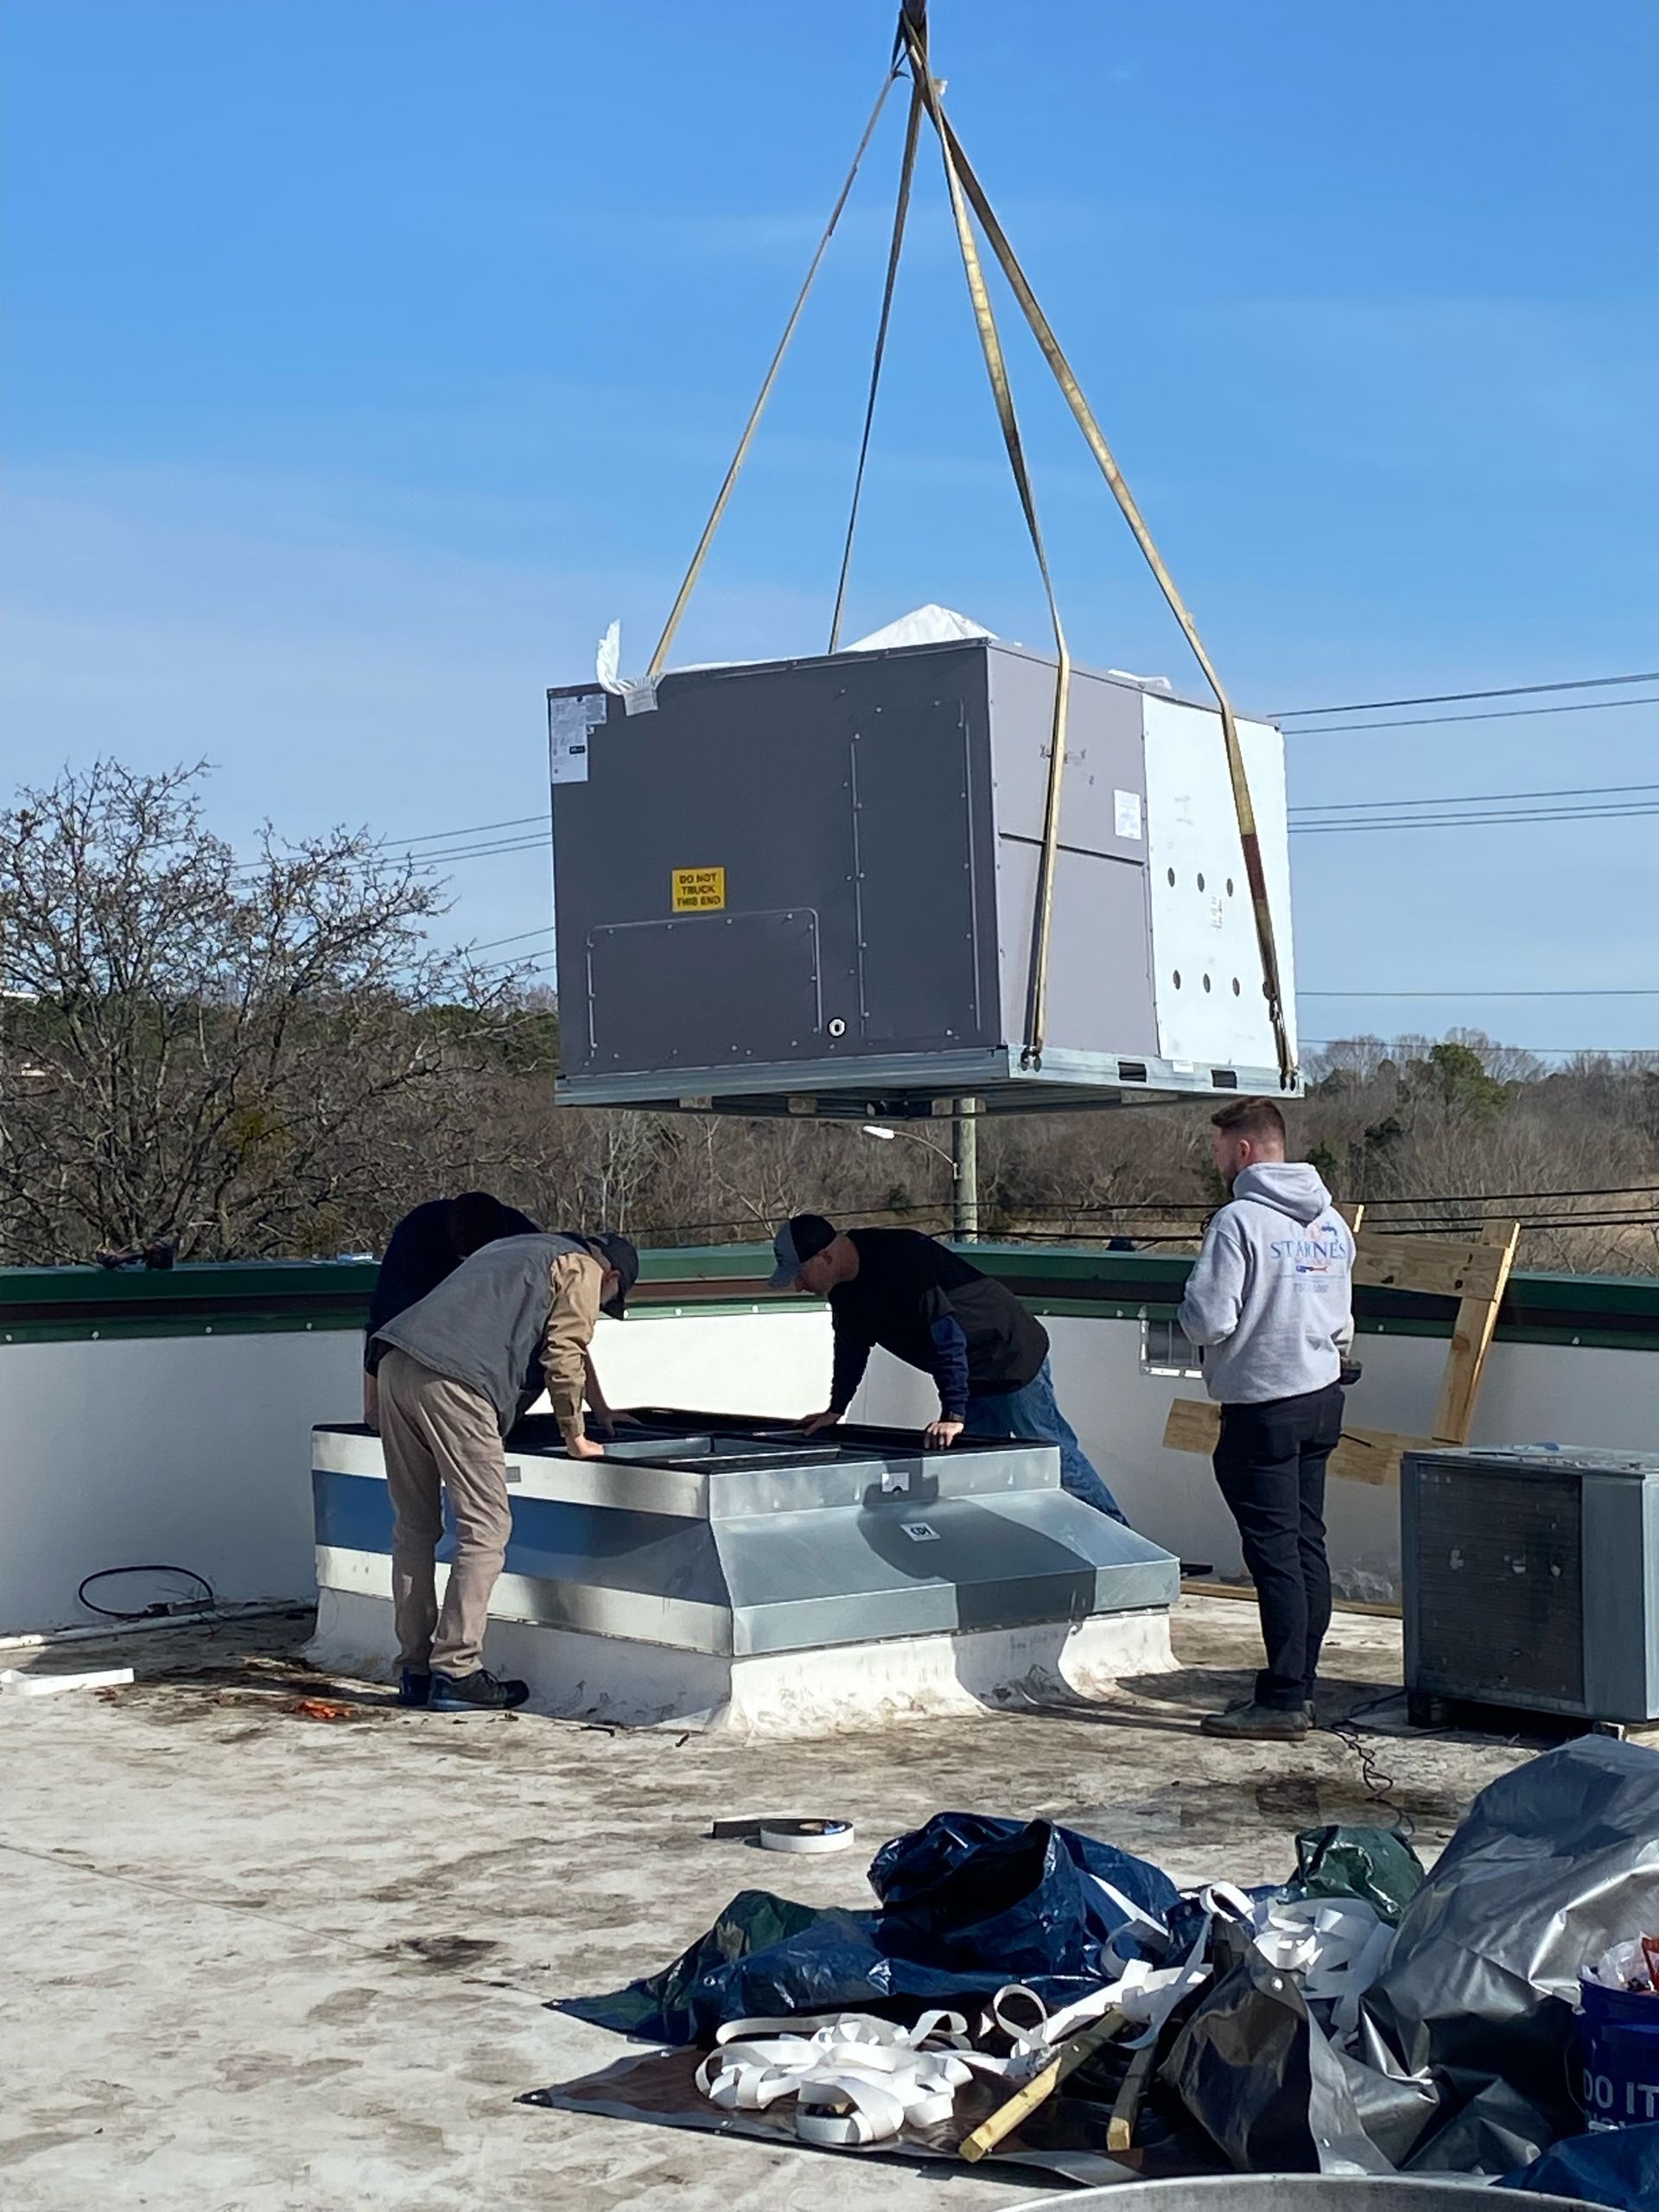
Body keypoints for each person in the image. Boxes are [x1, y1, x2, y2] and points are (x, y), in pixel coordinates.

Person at [368, 1230, 639, 1713]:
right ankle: (456, 1669)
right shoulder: (583, 1268)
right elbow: (565, 1351)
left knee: (414, 1527)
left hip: (395, 1364)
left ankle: (414, 1669)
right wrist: (576, 1436)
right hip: (456, 1382)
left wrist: (602, 1408)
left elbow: (569, 1345)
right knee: (486, 1527)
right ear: (611, 1275)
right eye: (608, 1303)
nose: (599, 1308)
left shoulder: (521, 1250)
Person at [1176, 1097, 1356, 1742]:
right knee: (1307, 1545)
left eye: (1221, 1147)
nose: (1218, 1158)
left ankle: (1280, 1700)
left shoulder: (1238, 1222)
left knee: (1274, 1555)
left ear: (1244, 1150)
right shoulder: (1333, 1223)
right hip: (1321, 1399)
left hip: (1261, 1408)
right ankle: (1299, 1685)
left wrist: (1189, 1316)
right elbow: (1342, 1322)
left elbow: (1211, 1318)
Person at [771, 1214, 1128, 1522]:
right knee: (974, 1473)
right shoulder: (843, 1289)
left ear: (826, 1256)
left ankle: (1123, 1540)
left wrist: (954, 1412)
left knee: (1054, 1456)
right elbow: (851, 1346)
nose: (799, 1285)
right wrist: (836, 1409)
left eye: (799, 1274)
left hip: (1008, 1356)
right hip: (968, 1374)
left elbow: (946, 1335)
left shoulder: (902, 1258)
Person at [362, 1191, 626, 1440]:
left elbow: (564, 1334)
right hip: (425, 1357)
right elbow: (383, 1322)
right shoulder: (416, 1238)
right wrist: (374, 1410)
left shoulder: (528, 1240)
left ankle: (496, 1417)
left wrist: (599, 1408)